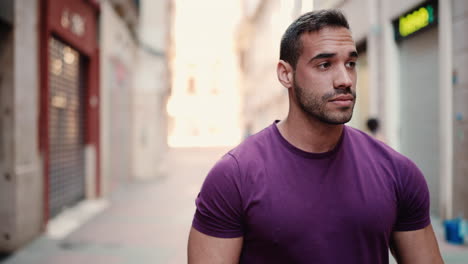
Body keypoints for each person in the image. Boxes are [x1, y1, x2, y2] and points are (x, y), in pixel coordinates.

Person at [188, 9, 443, 264]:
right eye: (324, 65)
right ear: (286, 74)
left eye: (351, 64)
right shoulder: (233, 177)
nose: (345, 79)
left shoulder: (397, 171)